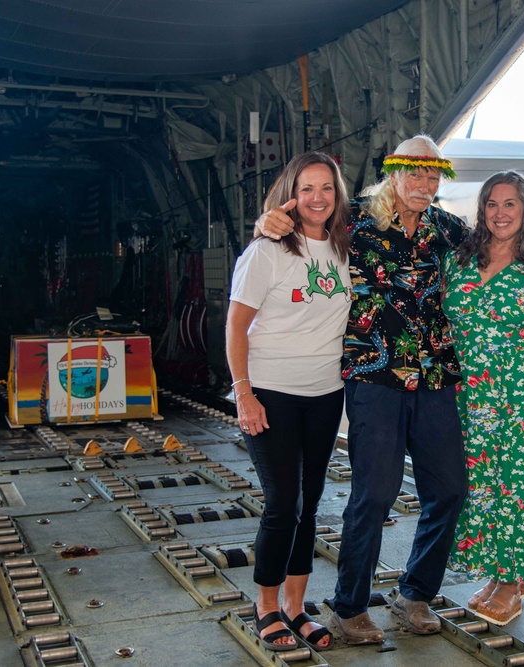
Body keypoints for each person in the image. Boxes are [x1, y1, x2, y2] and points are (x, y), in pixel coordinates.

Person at [259, 135, 524, 645]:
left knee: (447, 490)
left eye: (433, 175)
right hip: (374, 379)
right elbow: (302, 224)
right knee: (374, 495)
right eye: (415, 173)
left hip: (435, 380)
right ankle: (350, 605)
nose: (424, 184)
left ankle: (415, 594)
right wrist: (268, 221)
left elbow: (503, 242)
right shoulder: (353, 219)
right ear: (393, 174)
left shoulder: (449, 231)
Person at [226, 152, 352, 652]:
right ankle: (266, 606)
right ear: (290, 195)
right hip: (271, 391)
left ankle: (297, 607)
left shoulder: (346, 246)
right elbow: (236, 325)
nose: (317, 198)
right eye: (306, 189)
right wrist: (243, 393)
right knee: (283, 503)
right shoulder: (267, 250)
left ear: (337, 194)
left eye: (326, 188)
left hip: (324, 394)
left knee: (311, 503)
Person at [443, 171, 524, 626]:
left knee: (521, 487)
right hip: (471, 397)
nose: (500, 213)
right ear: (482, 210)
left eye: (510, 204)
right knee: (483, 487)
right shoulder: (458, 260)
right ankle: (498, 574)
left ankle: (515, 582)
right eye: (492, 204)